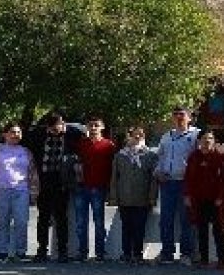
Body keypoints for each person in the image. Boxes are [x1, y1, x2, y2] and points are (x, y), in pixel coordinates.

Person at [0, 123, 39, 263]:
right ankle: (2, 253)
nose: (16, 135)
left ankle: (21, 253)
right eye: (12, 132)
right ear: (5, 134)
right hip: (0, 191)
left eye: (19, 132)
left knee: (21, 222)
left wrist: (34, 191)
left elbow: (33, 173)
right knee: (2, 223)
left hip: (21, 191)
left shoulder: (26, 152)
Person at [25, 112, 77, 262]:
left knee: (61, 218)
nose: (56, 130)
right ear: (47, 127)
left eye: (59, 127)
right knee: (43, 217)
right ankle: (42, 250)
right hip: (44, 180)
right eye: (52, 128)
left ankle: (62, 251)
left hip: (62, 181)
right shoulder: (39, 135)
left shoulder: (70, 134)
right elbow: (28, 141)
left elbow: (81, 132)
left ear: (63, 124)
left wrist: (66, 128)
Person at [154, 105, 200, 264]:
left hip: (185, 184)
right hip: (167, 184)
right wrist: (158, 172)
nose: (179, 117)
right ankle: (167, 252)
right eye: (175, 115)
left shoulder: (196, 135)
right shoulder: (166, 136)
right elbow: (160, 157)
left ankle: (186, 254)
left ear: (189, 117)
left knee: (186, 220)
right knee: (165, 220)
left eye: (182, 114)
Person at [183, 131, 224, 270]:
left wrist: (221, 197)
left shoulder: (219, 157)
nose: (207, 141)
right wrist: (187, 195)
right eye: (204, 138)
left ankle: (223, 260)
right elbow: (188, 178)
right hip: (198, 200)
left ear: (214, 141)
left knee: (218, 231)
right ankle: (204, 259)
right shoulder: (193, 157)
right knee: (201, 230)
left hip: (216, 200)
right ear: (199, 141)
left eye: (210, 138)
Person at [109, 126, 157, 263]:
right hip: (125, 198)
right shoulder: (120, 155)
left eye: (140, 135)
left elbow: (153, 179)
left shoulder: (150, 155)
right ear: (128, 137)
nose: (137, 138)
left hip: (142, 198)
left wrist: (152, 197)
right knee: (126, 227)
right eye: (134, 135)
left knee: (140, 228)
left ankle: (137, 253)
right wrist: (114, 197)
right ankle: (126, 253)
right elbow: (114, 178)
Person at [74, 116, 117, 261]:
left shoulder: (109, 145)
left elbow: (114, 168)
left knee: (99, 222)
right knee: (81, 222)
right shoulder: (81, 144)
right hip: (81, 187)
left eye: (96, 125)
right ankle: (82, 252)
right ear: (87, 127)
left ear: (102, 127)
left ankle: (100, 252)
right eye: (90, 125)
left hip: (99, 188)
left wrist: (111, 189)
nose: (93, 128)